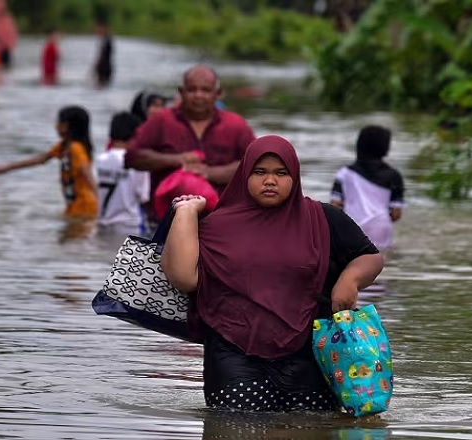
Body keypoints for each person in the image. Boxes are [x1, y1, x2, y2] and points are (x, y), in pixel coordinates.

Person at [160, 135, 384, 411]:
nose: (270, 181)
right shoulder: (215, 225)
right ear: (244, 175)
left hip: (310, 354)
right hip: (233, 352)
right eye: (260, 172)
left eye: (281, 173)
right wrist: (186, 211)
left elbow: (370, 256)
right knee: (236, 426)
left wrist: (350, 280)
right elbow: (183, 276)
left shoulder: (323, 219)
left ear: (294, 177)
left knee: (309, 429)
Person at [125, 65, 256, 224]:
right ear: (181, 92)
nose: (198, 95)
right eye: (192, 90)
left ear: (218, 94)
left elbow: (254, 166)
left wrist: (209, 172)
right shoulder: (162, 120)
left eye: (205, 90)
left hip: (221, 222)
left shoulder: (236, 125)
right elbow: (131, 157)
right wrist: (176, 160)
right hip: (165, 223)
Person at [0, 106, 99, 220]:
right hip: (73, 204)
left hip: (84, 206)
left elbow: (86, 172)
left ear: (66, 126)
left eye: (58, 122)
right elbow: (41, 159)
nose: (56, 126)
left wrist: (100, 198)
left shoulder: (76, 148)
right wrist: (6, 168)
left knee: (73, 236)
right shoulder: (63, 146)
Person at [331, 125, 405, 251]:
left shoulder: (344, 173)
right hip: (380, 227)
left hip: (351, 227)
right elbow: (396, 214)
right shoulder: (394, 176)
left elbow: (335, 206)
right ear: (385, 148)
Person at [96, 112, 149, 235]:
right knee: (136, 255)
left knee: (104, 254)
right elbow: (143, 197)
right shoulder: (138, 163)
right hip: (130, 227)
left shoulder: (100, 160)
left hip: (102, 223)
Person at [93, 19, 113, 88]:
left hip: (104, 68)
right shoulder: (104, 39)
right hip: (104, 68)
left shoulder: (106, 39)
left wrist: (96, 67)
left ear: (103, 27)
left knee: (101, 87)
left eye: (98, 28)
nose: (97, 30)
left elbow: (103, 55)